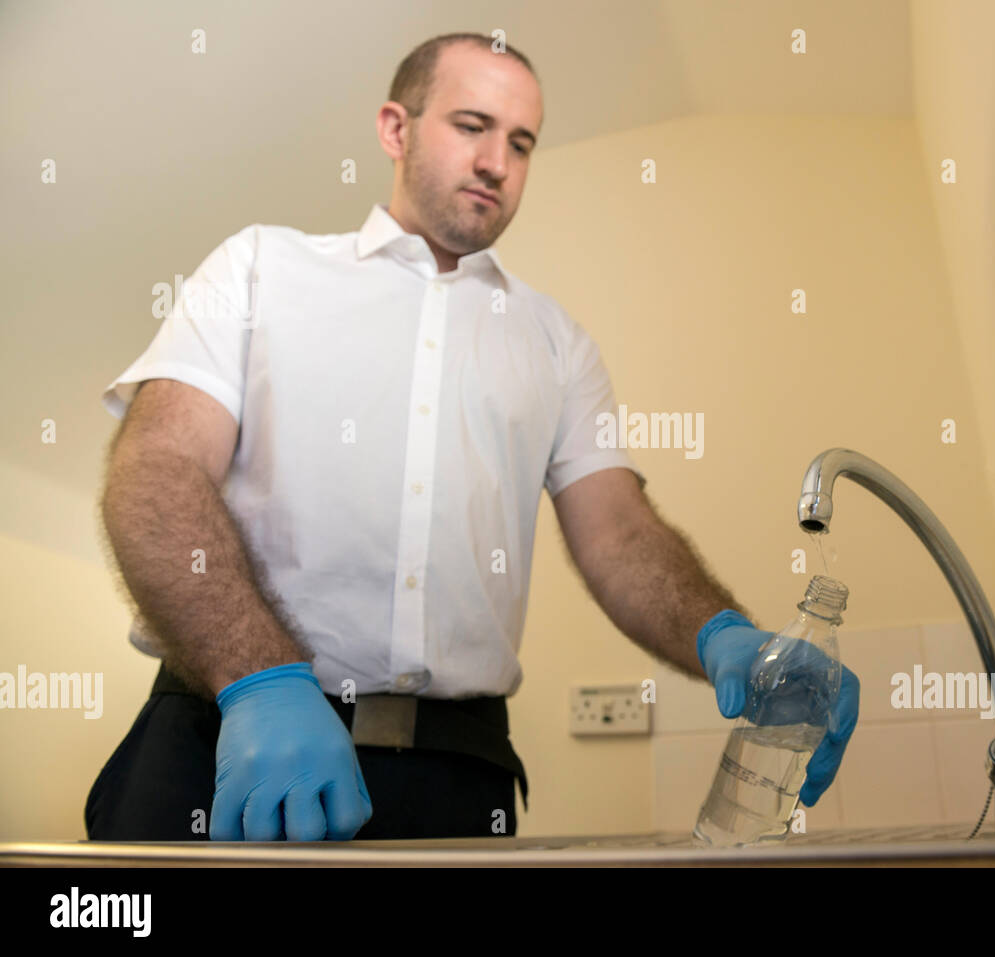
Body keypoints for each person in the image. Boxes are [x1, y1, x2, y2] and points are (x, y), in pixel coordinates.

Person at [86, 32, 861, 843]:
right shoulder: (259, 268)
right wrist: (258, 679)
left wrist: (725, 635)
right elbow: (158, 469)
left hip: (457, 783)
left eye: (521, 142)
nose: (497, 160)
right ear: (396, 128)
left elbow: (620, 533)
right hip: (220, 749)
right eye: (471, 125)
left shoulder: (556, 341)